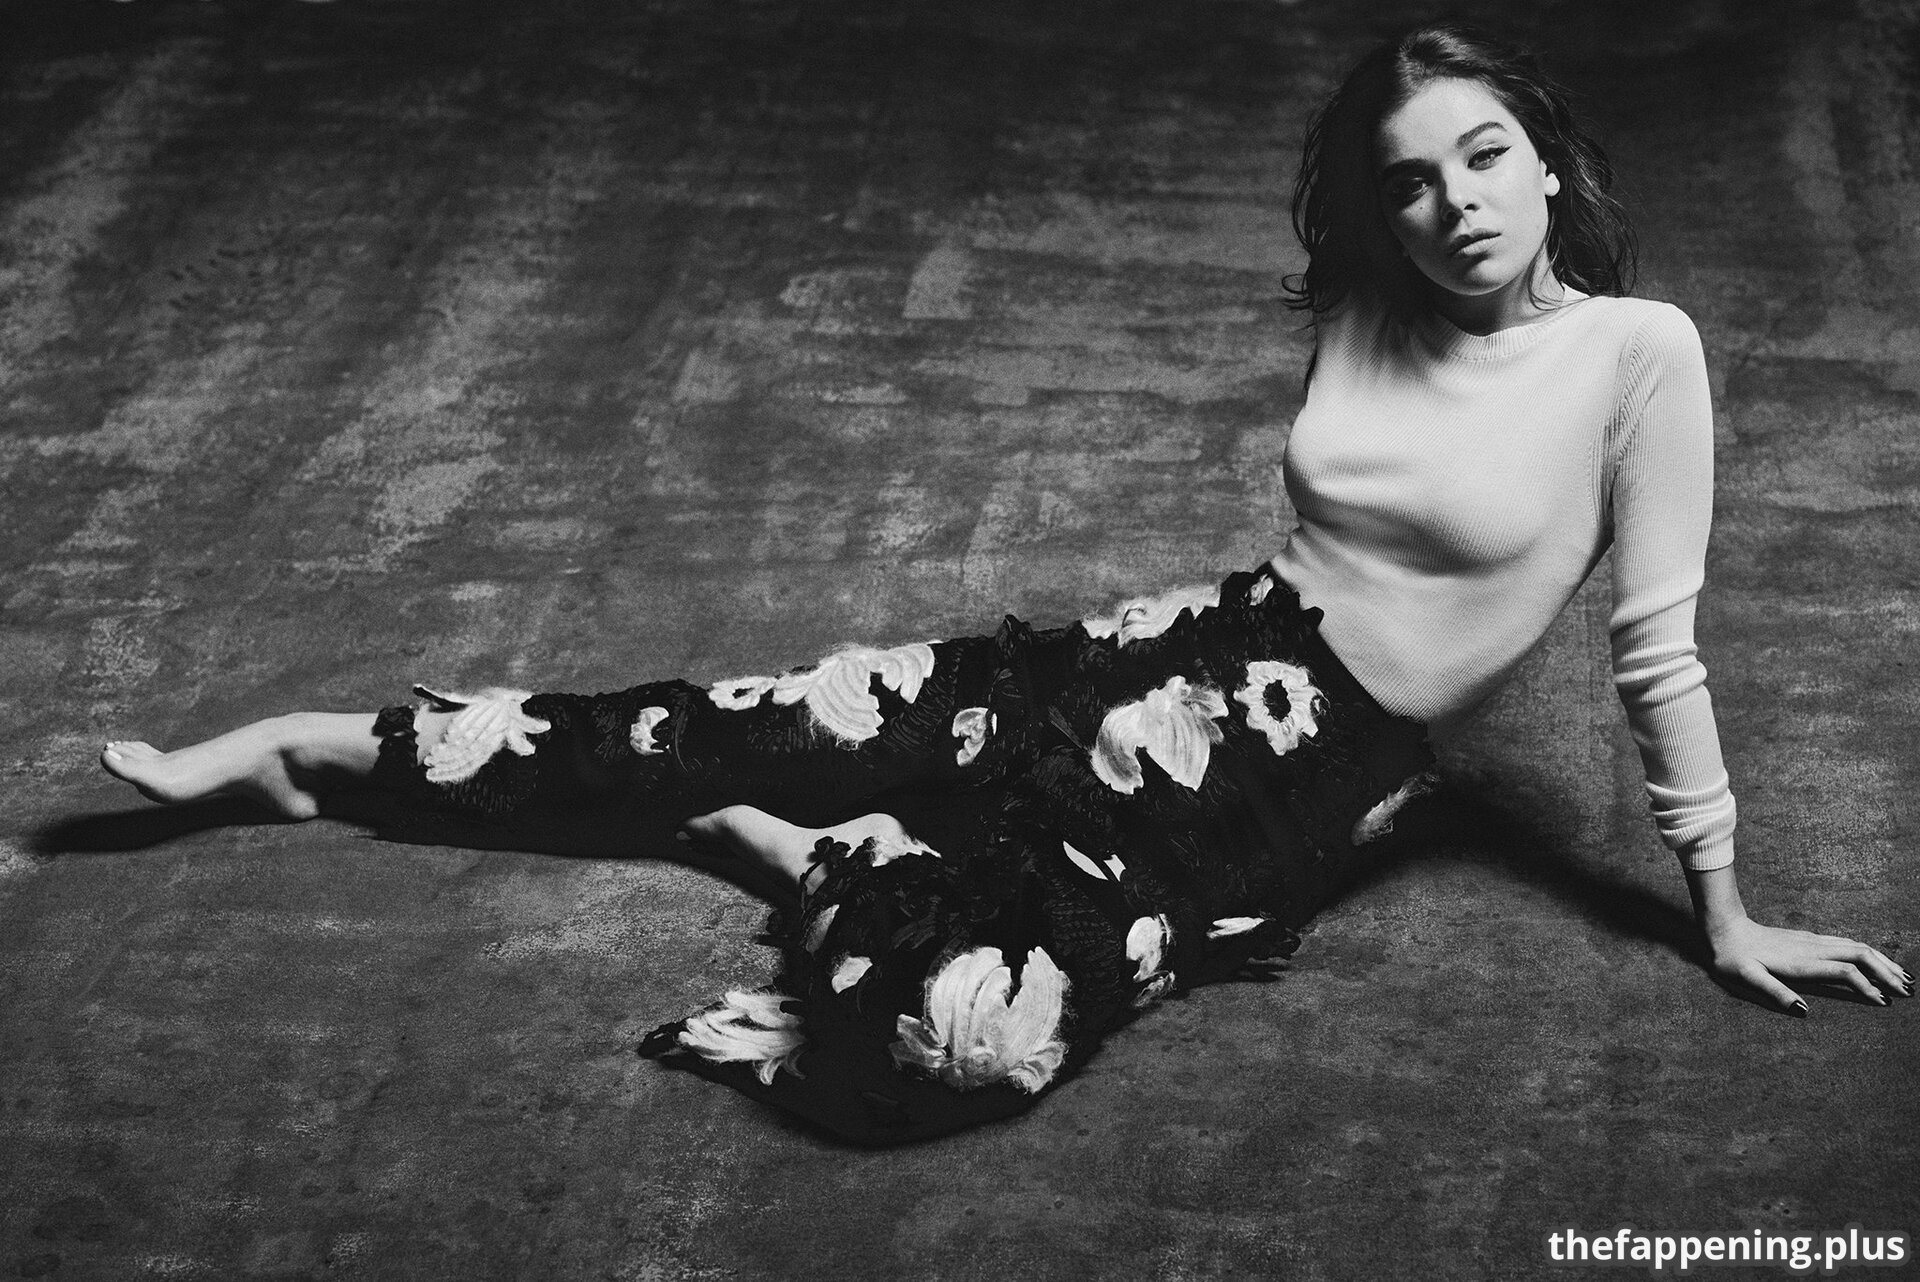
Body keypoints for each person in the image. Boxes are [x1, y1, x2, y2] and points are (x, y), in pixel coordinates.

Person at [98, 23, 1909, 1144]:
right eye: (1412, 184)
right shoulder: (1378, 294)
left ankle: (807, 855)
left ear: (1551, 156)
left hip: (1275, 788)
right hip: (1162, 649)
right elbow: (1331, 536)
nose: (1457, 206)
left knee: (966, 1034)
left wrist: (1723, 911)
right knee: (718, 716)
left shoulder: (1636, 357)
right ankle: (311, 750)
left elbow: (1654, 651)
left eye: (1486, 155)